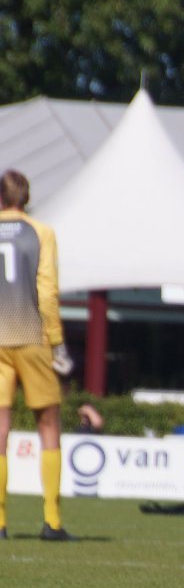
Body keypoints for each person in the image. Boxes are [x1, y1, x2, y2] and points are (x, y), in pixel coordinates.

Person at [0, 169, 75, 540]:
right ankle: (52, 520)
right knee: (48, 424)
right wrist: (57, 342)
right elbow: (47, 292)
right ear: (26, 198)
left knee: (0, 429)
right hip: (31, 335)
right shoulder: (41, 232)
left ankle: (0, 522)